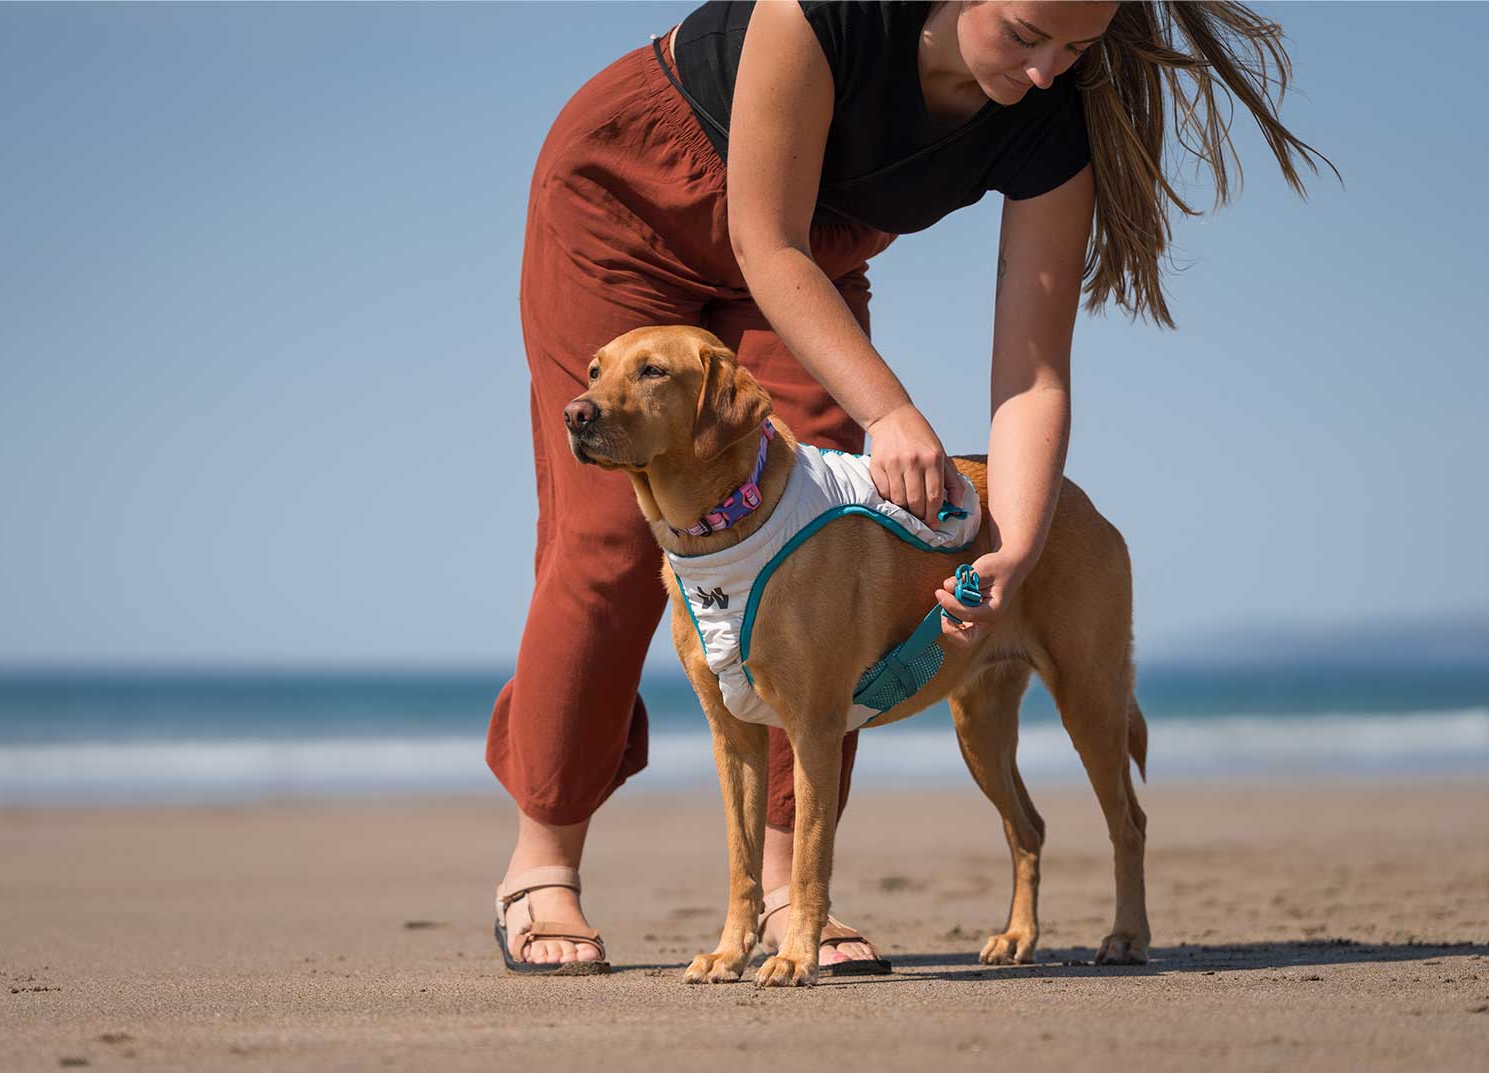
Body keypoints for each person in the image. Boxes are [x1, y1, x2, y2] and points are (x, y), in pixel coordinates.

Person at [487, 0, 1331, 972]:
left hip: (817, 236)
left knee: (823, 540)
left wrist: (1013, 543)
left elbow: (1033, 375)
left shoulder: (1050, 111)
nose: (1049, 70)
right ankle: (541, 862)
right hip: (639, 191)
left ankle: (787, 896)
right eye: (1023, 35)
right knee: (606, 540)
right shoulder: (830, 12)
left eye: (1078, 48)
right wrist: (892, 413)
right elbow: (762, 241)